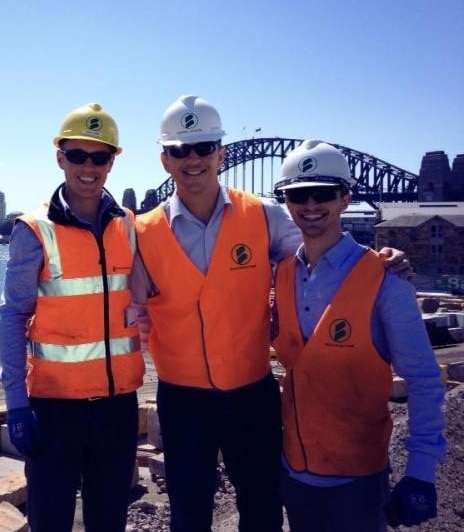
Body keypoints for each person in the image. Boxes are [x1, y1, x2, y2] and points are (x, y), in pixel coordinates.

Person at [131, 95, 411, 532]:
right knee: (188, 516)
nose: (193, 159)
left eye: (204, 147)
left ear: (221, 153)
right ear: (164, 159)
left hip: (251, 396)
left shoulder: (265, 215)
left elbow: (321, 257)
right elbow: (121, 303)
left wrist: (379, 261)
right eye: (180, 150)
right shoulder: (142, 232)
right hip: (182, 402)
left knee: (261, 509)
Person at [271, 139, 446, 531]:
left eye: (323, 194)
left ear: (345, 198)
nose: (311, 205)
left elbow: (423, 380)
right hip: (295, 477)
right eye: (299, 194)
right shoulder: (282, 275)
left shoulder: (385, 281)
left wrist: (420, 472)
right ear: (286, 202)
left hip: (357, 486)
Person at [0, 102, 145, 532]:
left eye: (100, 157)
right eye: (78, 155)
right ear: (60, 157)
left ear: (112, 161)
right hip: (54, 412)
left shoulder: (129, 226)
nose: (88, 167)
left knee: (109, 520)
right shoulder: (34, 229)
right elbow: (12, 319)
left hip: (118, 409)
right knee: (51, 521)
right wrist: (16, 404)